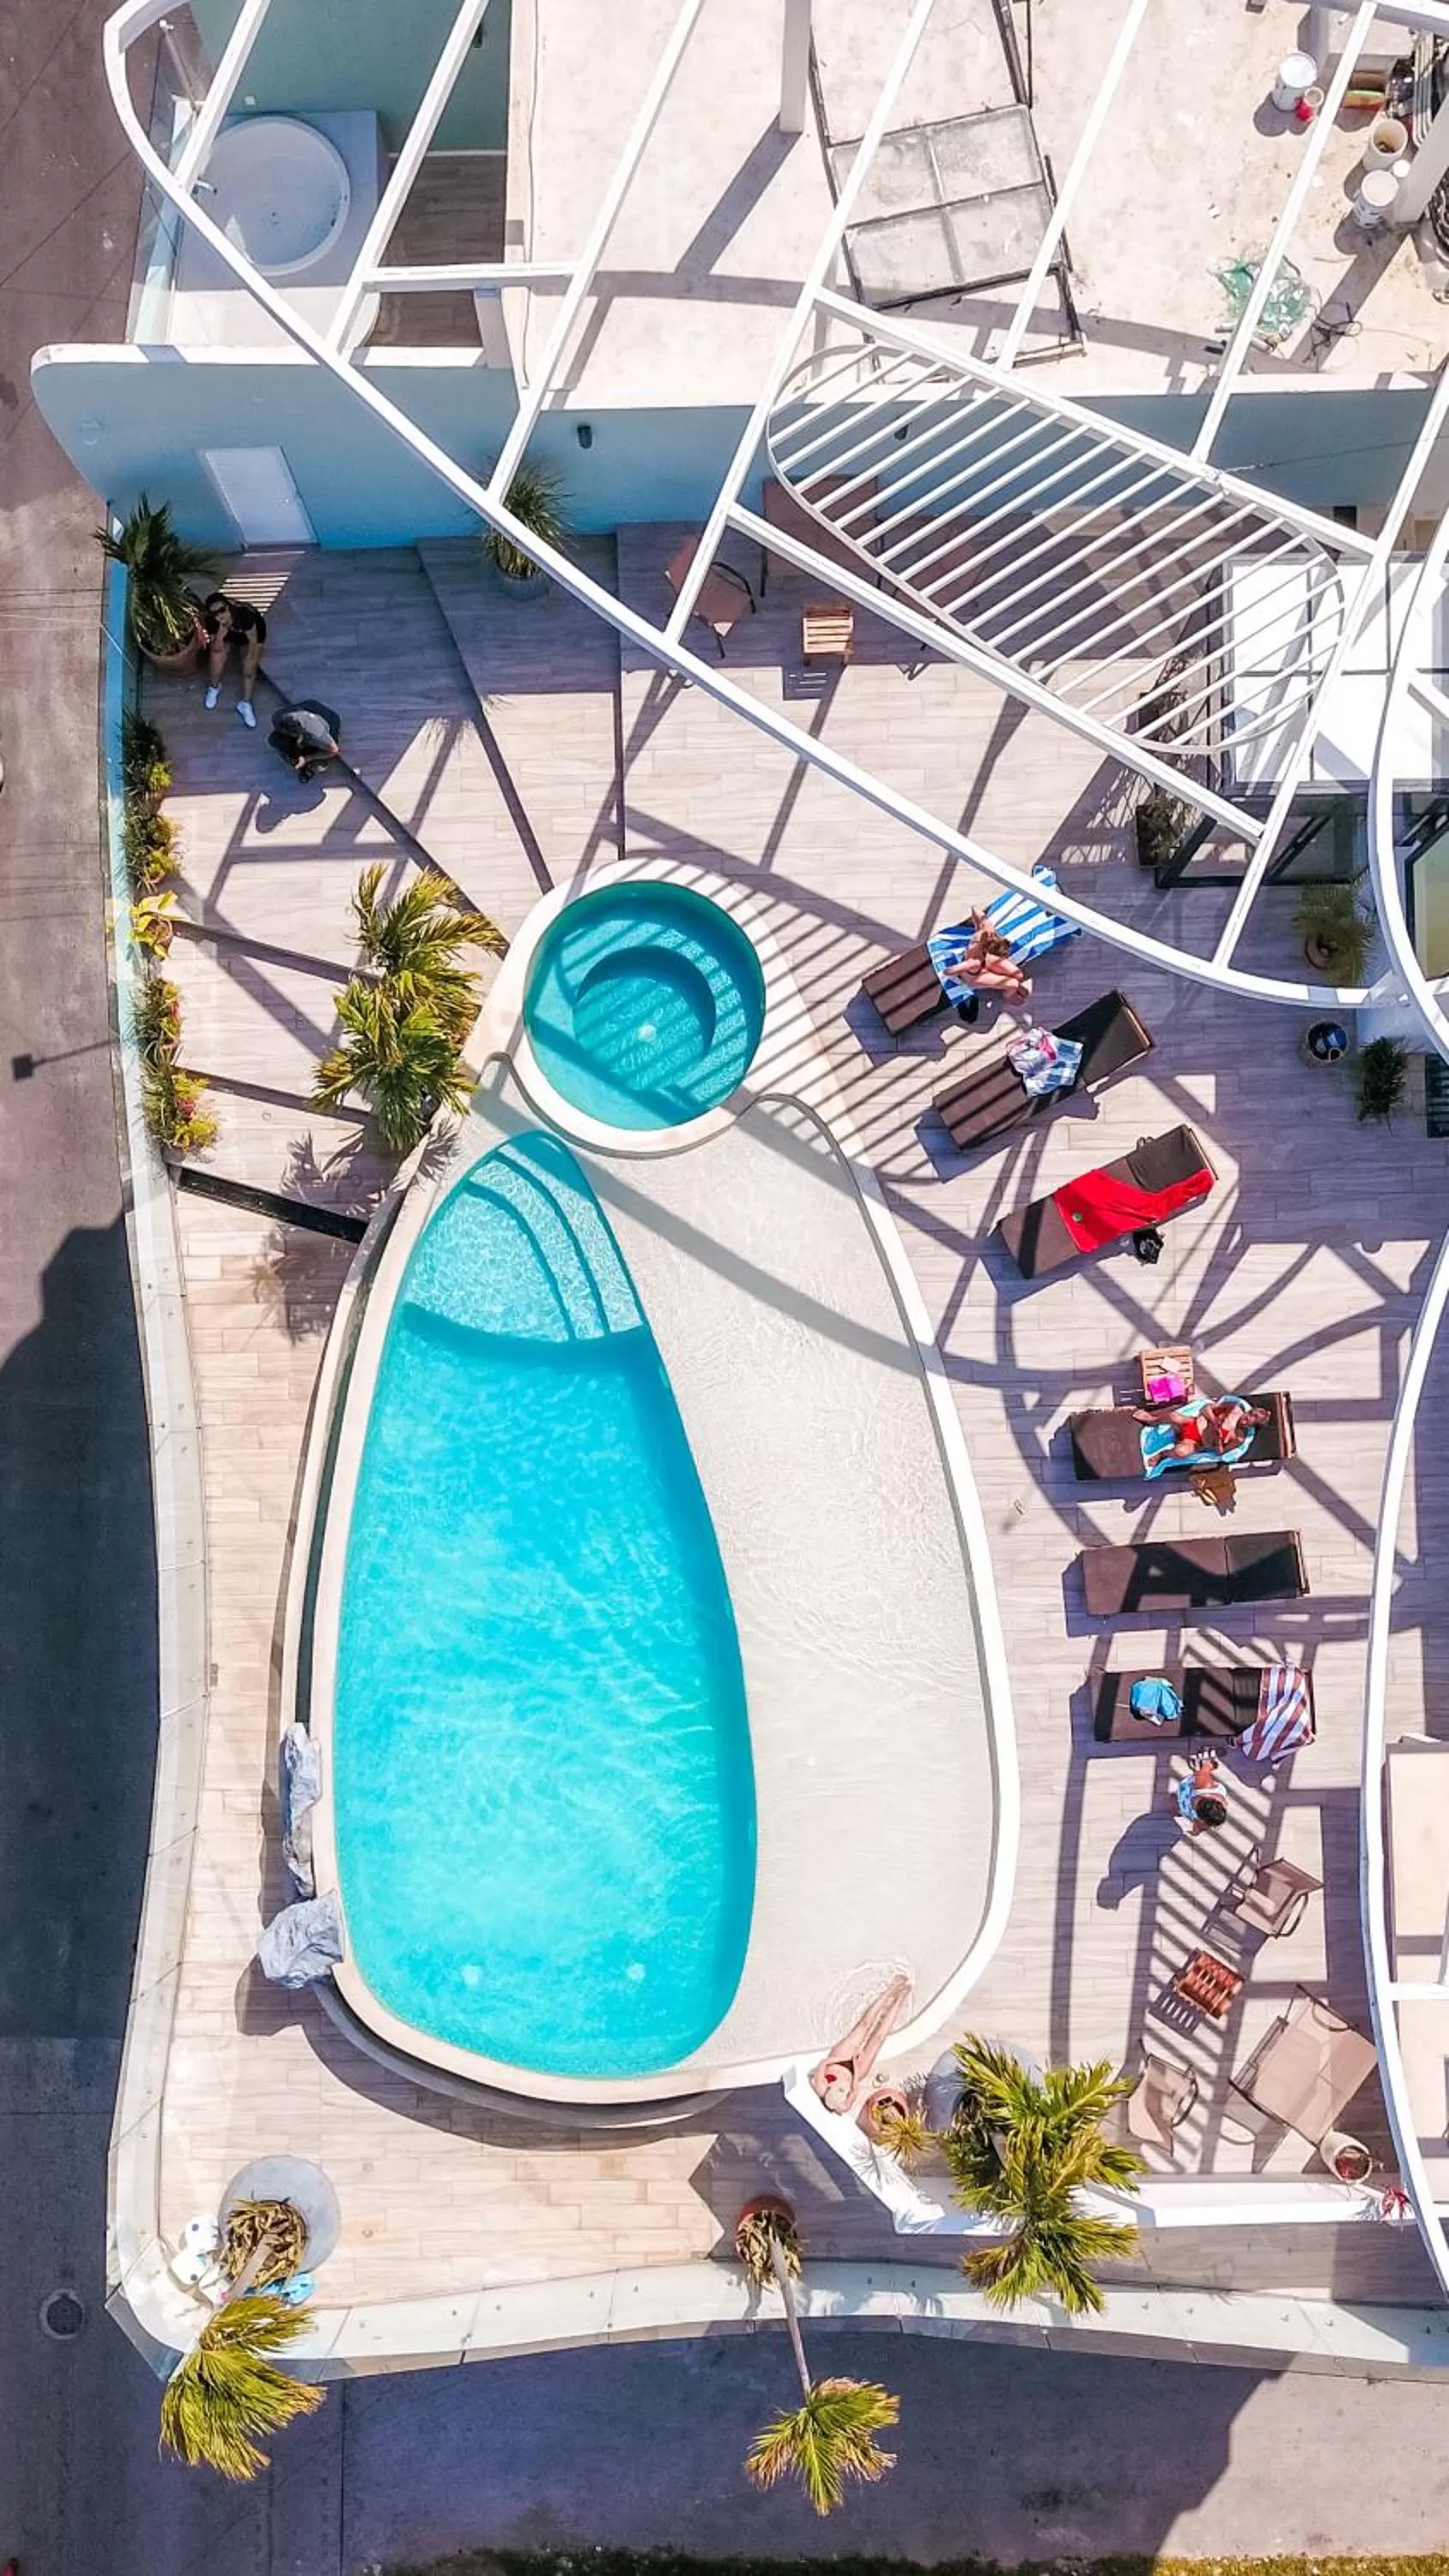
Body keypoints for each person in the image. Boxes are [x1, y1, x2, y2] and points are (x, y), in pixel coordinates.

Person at [943, 913, 1032, 1021]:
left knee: (1018, 975)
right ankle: (1009, 996)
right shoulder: (974, 962)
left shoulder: (986, 930)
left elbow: (975, 908)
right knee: (1013, 984)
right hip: (976, 977)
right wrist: (957, 967)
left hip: (984, 960)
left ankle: (1008, 986)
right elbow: (948, 972)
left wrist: (976, 924)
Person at [1134, 1394, 1271, 1464]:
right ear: (1248, 1412)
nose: (1245, 1423)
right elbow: (1205, 1408)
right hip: (1192, 1423)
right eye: (1247, 1418)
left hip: (1196, 1442)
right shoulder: (1234, 1408)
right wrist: (1214, 1421)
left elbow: (1220, 1454)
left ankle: (1162, 1455)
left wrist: (1218, 1442)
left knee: (1181, 1452)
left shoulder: (1239, 1438)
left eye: (1249, 1425)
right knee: (1173, 1416)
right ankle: (1152, 1420)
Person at [200, 590, 267, 728]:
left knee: (249, 668)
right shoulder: (212, 621)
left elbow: (253, 642)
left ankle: (245, 704)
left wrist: (250, 659)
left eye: (222, 610)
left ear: (228, 606)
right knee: (216, 658)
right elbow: (216, 647)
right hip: (228, 634)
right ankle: (214, 687)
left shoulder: (245, 615)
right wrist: (220, 635)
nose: (220, 616)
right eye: (215, 614)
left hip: (250, 635)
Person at [268, 698, 342, 782]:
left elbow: (334, 751)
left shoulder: (316, 731)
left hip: (330, 721)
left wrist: (307, 758)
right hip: (311, 706)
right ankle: (296, 751)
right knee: (275, 740)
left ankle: (313, 763)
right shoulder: (278, 716)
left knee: (311, 748)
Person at [1173, 1751, 1228, 1837]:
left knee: (1200, 1774)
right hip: (1193, 1796)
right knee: (1201, 1773)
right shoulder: (1203, 1786)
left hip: (1190, 1791)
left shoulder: (1205, 1787)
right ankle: (1207, 1764)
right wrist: (1195, 1833)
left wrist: (1208, 1766)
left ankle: (1203, 1764)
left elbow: (1199, 1825)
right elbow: (1198, 1827)